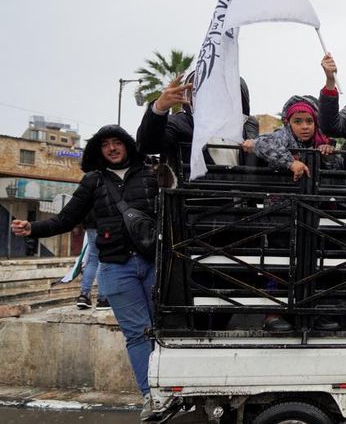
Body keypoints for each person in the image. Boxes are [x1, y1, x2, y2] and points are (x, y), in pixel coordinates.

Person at [10, 125, 162, 420]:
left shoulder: (150, 174)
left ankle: (168, 390)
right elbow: (66, 219)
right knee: (138, 333)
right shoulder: (94, 180)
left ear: (127, 145)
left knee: (160, 330)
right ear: (98, 150)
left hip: (153, 263)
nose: (112, 148)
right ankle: (152, 397)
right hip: (116, 268)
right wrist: (32, 228)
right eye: (105, 144)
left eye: (117, 142)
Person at [242, 95, 341, 332]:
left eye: (309, 121)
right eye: (298, 121)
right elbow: (261, 144)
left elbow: (338, 163)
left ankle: (312, 312)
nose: (305, 126)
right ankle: (273, 313)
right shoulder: (281, 137)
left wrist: (327, 155)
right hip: (281, 216)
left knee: (315, 264)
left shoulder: (323, 141)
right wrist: (290, 162)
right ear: (288, 122)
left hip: (314, 216)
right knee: (279, 263)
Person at [136, 72, 259, 176]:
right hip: (196, 196)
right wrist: (159, 109)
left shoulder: (247, 126)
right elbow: (148, 145)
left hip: (244, 196)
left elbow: (259, 164)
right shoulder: (179, 123)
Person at [76, 211, 109, 310]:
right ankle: (103, 298)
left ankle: (84, 295)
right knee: (103, 259)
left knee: (93, 259)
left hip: (89, 222)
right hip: (105, 222)